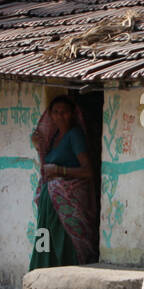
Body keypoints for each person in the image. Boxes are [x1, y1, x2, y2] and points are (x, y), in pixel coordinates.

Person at [29, 95, 98, 269]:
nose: (60, 116)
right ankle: (43, 272)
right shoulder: (54, 137)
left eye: (65, 112)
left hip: (69, 203)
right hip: (50, 204)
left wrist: (60, 171)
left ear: (72, 114)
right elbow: (47, 167)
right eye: (56, 112)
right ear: (50, 115)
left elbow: (88, 171)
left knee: (64, 241)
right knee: (46, 239)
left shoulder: (75, 135)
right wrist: (39, 147)